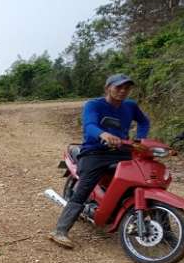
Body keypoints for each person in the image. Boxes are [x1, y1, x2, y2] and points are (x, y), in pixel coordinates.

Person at [50, 74, 150, 249]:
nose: (123, 91)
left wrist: (140, 140)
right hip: (95, 152)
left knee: (143, 179)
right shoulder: (94, 104)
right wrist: (103, 134)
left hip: (122, 151)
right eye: (118, 87)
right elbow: (89, 125)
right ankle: (60, 230)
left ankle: (165, 228)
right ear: (107, 88)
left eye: (126, 88)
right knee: (83, 189)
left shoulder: (130, 106)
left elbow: (144, 121)